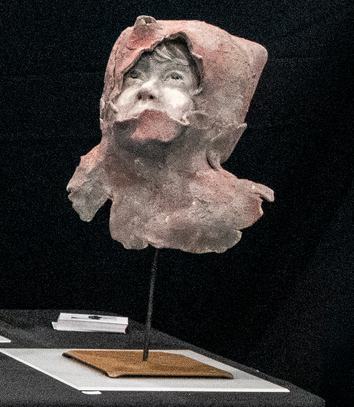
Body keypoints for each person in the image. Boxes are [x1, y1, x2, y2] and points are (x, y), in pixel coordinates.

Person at [66, 17, 272, 253]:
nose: (147, 89)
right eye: (135, 75)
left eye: (174, 77)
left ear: (214, 102)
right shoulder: (92, 180)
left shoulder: (227, 205)